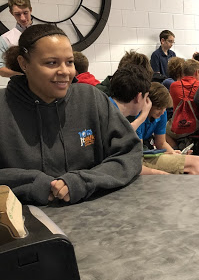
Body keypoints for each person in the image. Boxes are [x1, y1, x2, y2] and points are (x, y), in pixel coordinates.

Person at [0, 24, 142, 205]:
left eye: (69, 62)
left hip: (98, 217)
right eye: (51, 63)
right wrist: (33, 183)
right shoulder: (3, 107)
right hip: (26, 225)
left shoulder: (91, 98)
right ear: (23, 63)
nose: (65, 71)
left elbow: (130, 153)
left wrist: (83, 181)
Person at [136, 82, 199, 175]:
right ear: (148, 105)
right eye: (159, 108)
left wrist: (174, 153)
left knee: (198, 161)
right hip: (140, 158)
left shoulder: (161, 114)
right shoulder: (138, 117)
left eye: (164, 108)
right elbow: (138, 152)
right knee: (196, 163)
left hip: (150, 154)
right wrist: (166, 154)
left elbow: (161, 143)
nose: (162, 112)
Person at [167, 58, 199, 147]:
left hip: (177, 127)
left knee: (162, 132)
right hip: (196, 127)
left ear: (183, 72)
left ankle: (176, 150)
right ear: (197, 72)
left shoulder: (173, 86)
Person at [0, 0, 33, 78]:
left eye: (25, 13)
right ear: (11, 13)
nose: (22, 18)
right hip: (19, 86)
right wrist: (24, 76)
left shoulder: (44, 33)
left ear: (31, 10)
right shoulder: (5, 39)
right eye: (17, 14)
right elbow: (1, 69)